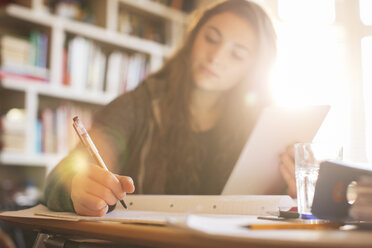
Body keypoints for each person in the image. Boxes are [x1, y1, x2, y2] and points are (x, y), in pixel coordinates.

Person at [43, 0, 296, 217]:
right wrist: (77, 188)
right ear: (193, 36)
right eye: (211, 39)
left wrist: (296, 192)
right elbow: (59, 179)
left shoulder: (264, 127)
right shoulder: (139, 105)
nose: (216, 57)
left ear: (253, 70)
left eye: (237, 55)